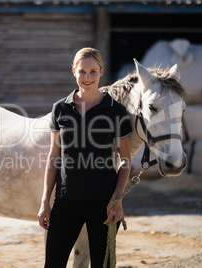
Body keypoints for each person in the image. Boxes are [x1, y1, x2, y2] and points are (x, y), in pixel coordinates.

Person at [37, 48, 132, 267]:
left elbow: (125, 162)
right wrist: (45, 202)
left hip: (104, 204)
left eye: (92, 72)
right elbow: (53, 158)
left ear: (101, 72)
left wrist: (117, 200)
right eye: (82, 72)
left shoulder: (115, 111)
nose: (87, 77)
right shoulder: (60, 109)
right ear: (74, 72)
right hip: (65, 200)